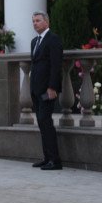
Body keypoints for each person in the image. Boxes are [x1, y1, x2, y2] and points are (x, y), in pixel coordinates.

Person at [30, 11, 63, 170]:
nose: (35, 23)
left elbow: (56, 66)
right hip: (36, 90)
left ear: (46, 22)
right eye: (33, 21)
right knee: (41, 123)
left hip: (47, 90)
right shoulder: (34, 41)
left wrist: (52, 87)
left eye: (38, 20)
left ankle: (55, 161)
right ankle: (47, 157)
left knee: (46, 122)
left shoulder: (53, 39)